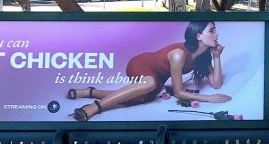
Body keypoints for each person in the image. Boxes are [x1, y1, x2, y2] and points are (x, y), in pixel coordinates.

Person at [67, 20, 231, 121]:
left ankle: (90, 92)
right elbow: (179, 92)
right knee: (149, 85)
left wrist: (216, 57)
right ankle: (95, 107)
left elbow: (216, 84)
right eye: (212, 30)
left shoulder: (203, 56)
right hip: (142, 64)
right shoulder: (178, 55)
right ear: (198, 36)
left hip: (157, 78)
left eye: (215, 30)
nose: (216, 34)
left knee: (138, 99)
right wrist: (209, 98)